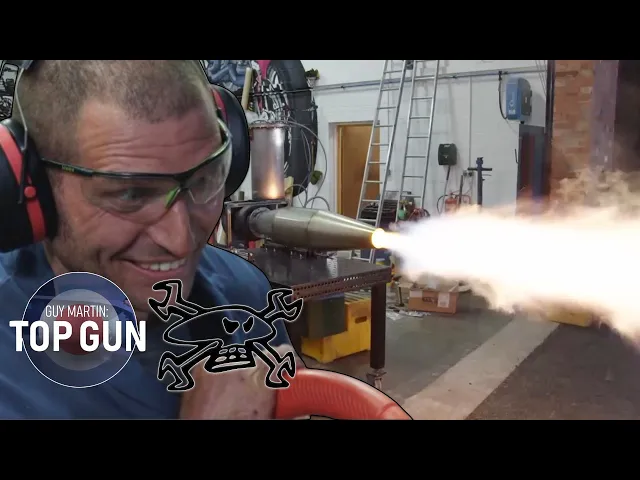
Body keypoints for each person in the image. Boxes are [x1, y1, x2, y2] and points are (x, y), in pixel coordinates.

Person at [0, 60, 301, 419]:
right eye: (130, 195)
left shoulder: (243, 292)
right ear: (34, 188)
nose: (180, 241)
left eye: (204, 180)